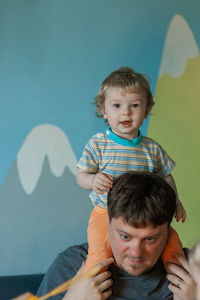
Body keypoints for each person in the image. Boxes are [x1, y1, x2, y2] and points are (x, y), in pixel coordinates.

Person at [76, 66, 186, 271]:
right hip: (105, 212)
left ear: (146, 111)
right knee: (99, 249)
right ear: (104, 111)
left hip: (145, 219)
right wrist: (93, 180)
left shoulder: (151, 148)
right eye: (116, 105)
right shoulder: (98, 144)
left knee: (172, 243)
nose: (126, 112)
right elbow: (81, 176)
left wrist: (175, 201)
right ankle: (93, 279)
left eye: (134, 105)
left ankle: (178, 279)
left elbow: (167, 177)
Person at [37, 171, 193, 300]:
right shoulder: (70, 266)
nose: (136, 252)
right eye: (125, 236)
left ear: (168, 231)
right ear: (108, 224)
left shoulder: (192, 272)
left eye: (150, 239)